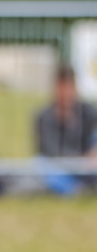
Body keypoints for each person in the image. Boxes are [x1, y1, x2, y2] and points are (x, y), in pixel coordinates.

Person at [34, 64, 97, 194]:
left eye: (69, 87)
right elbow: (50, 151)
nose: (65, 93)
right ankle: (76, 190)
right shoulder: (43, 117)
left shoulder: (88, 112)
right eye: (62, 87)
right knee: (41, 166)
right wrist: (81, 159)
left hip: (86, 168)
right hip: (60, 168)